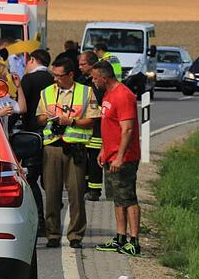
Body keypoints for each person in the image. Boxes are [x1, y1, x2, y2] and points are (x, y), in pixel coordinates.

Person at [36, 56, 91, 248]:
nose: (55, 79)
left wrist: (71, 121)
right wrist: (48, 117)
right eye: (54, 75)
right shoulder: (46, 92)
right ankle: (52, 234)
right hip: (52, 147)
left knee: (76, 194)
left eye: (59, 76)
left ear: (71, 75)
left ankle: (75, 235)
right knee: (51, 193)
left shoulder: (86, 92)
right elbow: (39, 118)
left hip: (75, 149)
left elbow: (93, 120)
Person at [91, 60, 142, 257]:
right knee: (118, 199)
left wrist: (120, 157)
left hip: (124, 158)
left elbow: (127, 129)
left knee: (128, 198)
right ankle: (120, 237)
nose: (93, 81)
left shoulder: (123, 95)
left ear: (104, 78)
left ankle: (134, 241)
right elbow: (109, 125)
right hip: (110, 155)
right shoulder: (108, 94)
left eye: (95, 78)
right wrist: (104, 150)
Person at [18, 49, 53, 235]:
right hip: (52, 134)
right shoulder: (53, 79)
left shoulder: (29, 80)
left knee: (31, 178)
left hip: (32, 134)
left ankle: (40, 222)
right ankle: (53, 218)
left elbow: (22, 108)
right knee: (49, 180)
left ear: (32, 60)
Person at [76, 50, 104, 201]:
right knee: (84, 160)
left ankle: (94, 191)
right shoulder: (83, 80)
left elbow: (98, 105)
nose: (80, 67)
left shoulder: (98, 83)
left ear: (92, 64)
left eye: (83, 64)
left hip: (96, 127)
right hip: (83, 127)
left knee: (94, 160)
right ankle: (86, 187)